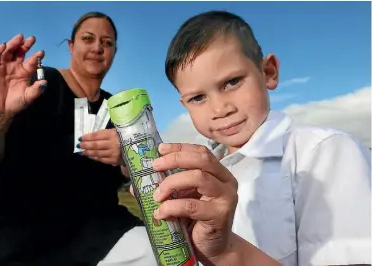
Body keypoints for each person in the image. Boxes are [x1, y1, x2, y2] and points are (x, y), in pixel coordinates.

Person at [155, 9, 370, 266]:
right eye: (198, 98)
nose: (220, 109)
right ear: (184, 103)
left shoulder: (325, 153)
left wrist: (225, 252)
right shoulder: (200, 176)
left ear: (268, 72)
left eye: (232, 82)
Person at [0, 12, 154, 266]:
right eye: (88, 38)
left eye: (107, 42)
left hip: (96, 235)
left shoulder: (119, 109)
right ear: (71, 46)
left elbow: (143, 177)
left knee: (157, 252)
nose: (97, 47)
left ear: (114, 52)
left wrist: (129, 152)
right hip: (14, 238)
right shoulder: (38, 82)